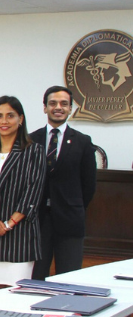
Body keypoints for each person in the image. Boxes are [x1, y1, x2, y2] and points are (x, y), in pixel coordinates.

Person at [0, 96, 46, 289]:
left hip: (19, 233)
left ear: (21, 119)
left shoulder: (34, 151)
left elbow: (33, 192)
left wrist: (7, 224)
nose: (4, 121)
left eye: (10, 116)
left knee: (17, 293)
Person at [31, 86, 96, 279]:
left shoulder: (83, 142)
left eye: (63, 104)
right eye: (53, 103)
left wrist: (73, 206)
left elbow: (89, 184)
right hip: (37, 221)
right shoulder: (30, 140)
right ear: (45, 108)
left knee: (68, 279)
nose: (58, 107)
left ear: (70, 109)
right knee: (35, 279)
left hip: (70, 220)